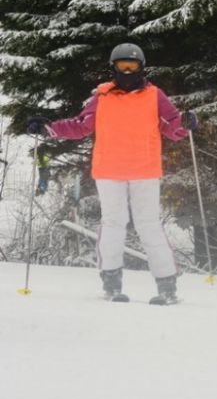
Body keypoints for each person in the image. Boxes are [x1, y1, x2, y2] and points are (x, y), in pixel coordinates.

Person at [27, 43, 199, 304]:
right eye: (122, 66)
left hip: (144, 170)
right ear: (113, 68)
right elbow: (80, 126)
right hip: (109, 170)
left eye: (133, 66)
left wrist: (186, 123)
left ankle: (167, 286)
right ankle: (111, 284)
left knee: (148, 225)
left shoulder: (155, 95)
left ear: (142, 68)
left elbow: (173, 127)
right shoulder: (103, 96)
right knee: (113, 224)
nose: (128, 71)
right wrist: (49, 128)